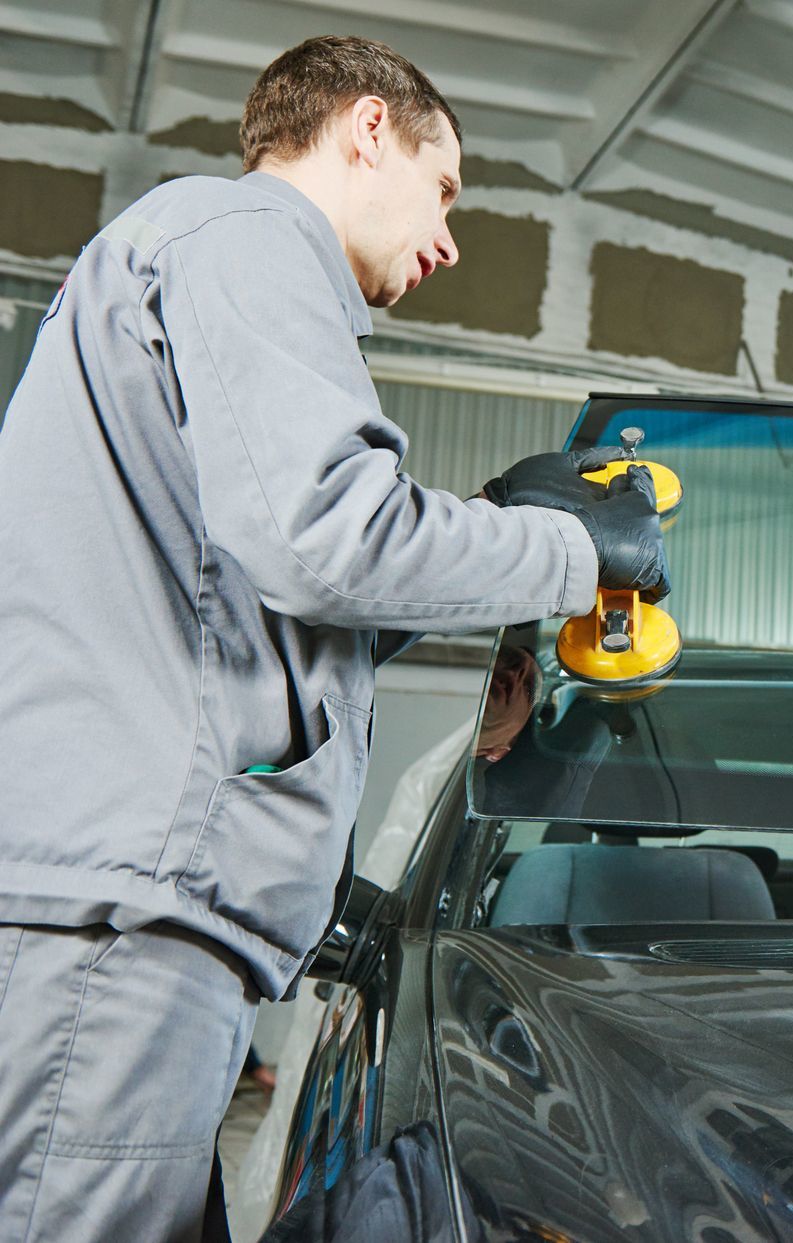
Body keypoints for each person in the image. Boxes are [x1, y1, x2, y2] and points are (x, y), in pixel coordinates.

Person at [0, 36, 664, 1242]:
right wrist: (580, 555)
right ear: (367, 128)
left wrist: (499, 526)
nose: (450, 240)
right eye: (446, 186)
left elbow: (260, 604)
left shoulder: (182, 257)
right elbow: (325, 538)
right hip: (128, 929)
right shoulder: (249, 239)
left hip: (127, 917)